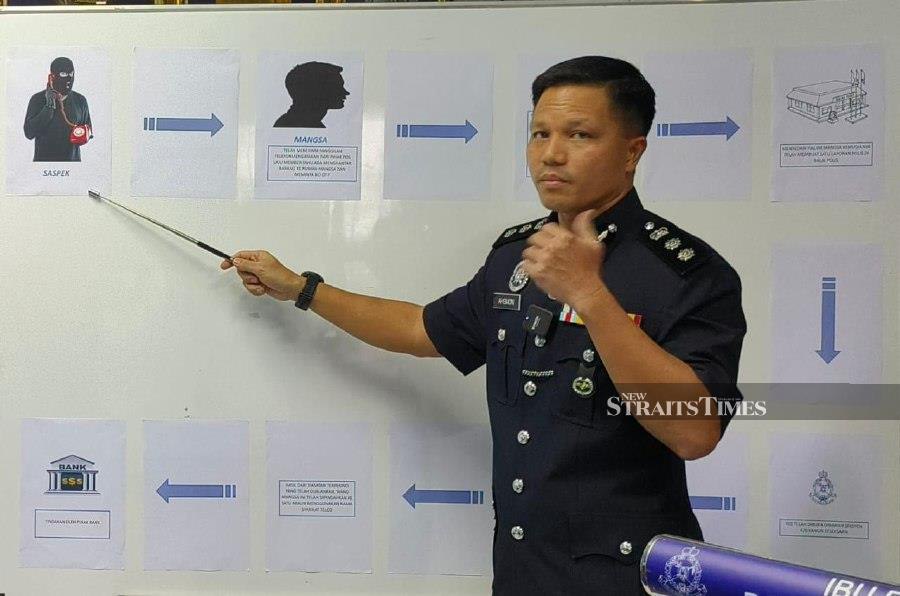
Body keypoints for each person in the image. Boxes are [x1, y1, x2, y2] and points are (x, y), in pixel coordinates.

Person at [224, 56, 746, 595]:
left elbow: (694, 431)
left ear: (632, 151)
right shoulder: (515, 257)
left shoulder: (686, 274)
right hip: (525, 574)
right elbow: (420, 330)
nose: (551, 153)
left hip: (630, 580)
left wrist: (590, 295)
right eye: (539, 133)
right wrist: (301, 288)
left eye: (579, 135)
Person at [24, 57, 93, 162]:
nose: (69, 79)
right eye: (64, 74)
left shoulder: (80, 100)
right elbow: (29, 133)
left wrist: (83, 135)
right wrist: (49, 105)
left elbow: (88, 130)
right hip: (43, 166)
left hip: (72, 166)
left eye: (71, 74)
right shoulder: (37, 99)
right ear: (52, 76)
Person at [273, 61, 349, 128]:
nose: (345, 92)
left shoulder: (287, 123)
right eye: (337, 87)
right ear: (318, 91)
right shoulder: (289, 125)